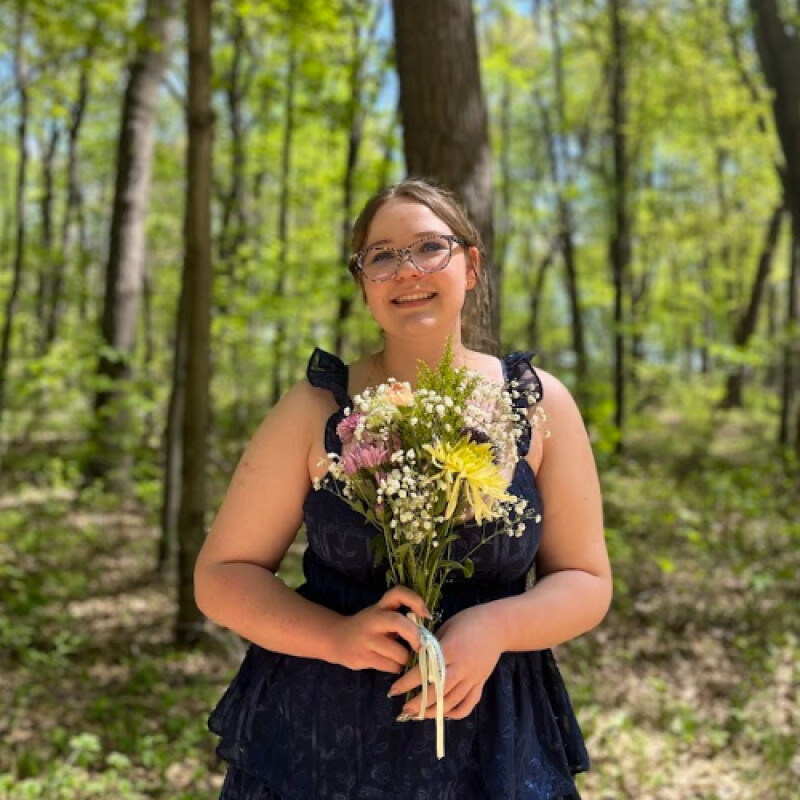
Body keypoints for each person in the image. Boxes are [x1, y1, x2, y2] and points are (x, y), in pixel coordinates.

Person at [195, 178, 612, 800]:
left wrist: (496, 627)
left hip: (493, 738)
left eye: (429, 247)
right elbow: (221, 576)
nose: (407, 270)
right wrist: (334, 637)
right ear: (363, 283)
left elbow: (587, 580)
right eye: (382, 256)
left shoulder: (536, 403)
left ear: (471, 266)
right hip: (323, 740)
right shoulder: (316, 407)